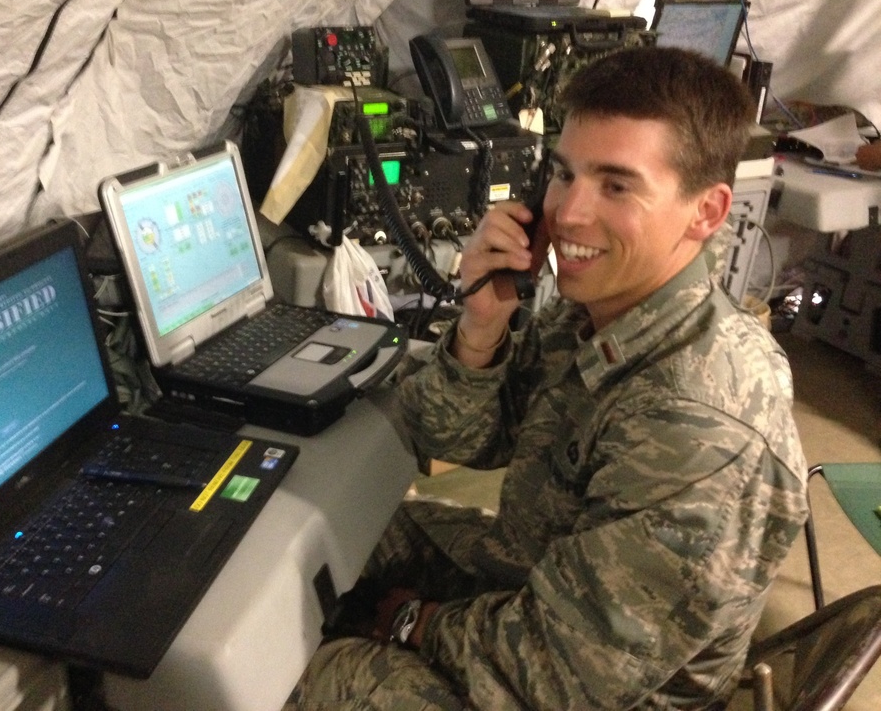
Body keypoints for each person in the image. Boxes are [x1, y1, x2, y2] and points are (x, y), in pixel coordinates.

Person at [285, 46, 809, 710]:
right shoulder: (600, 312)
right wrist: (482, 323)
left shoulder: (696, 425)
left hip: (592, 689)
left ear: (705, 213)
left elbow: (559, 675)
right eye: (564, 175)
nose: (568, 214)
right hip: (540, 575)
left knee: (324, 680)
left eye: (616, 185)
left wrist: (407, 623)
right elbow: (458, 437)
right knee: (352, 528)